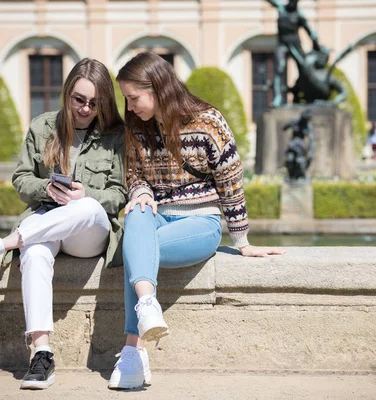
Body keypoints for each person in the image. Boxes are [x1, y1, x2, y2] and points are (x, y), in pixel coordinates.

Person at [108, 52, 285, 390]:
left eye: (133, 98)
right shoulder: (137, 127)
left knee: (137, 250)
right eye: (126, 99)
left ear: (157, 88)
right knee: (138, 216)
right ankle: (147, 307)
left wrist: (242, 241)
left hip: (200, 223)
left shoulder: (208, 121)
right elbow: (133, 174)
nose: (129, 108)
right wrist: (141, 192)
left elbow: (230, 180)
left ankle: (133, 352)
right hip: (156, 217)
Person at [0, 58, 126, 390]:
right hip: (47, 220)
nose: (86, 109)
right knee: (33, 253)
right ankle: (41, 354)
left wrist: (83, 194)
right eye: (79, 100)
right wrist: (45, 188)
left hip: (89, 232)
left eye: (95, 103)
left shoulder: (114, 135)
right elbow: (21, 179)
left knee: (88, 206)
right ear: (67, 94)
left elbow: (119, 193)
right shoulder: (42, 126)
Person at [265, 0, 320, 107]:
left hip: (295, 44)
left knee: (304, 68)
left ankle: (306, 95)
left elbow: (309, 31)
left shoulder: (299, 15)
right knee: (280, 67)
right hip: (282, 44)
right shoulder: (281, 8)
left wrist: (316, 45)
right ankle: (278, 97)